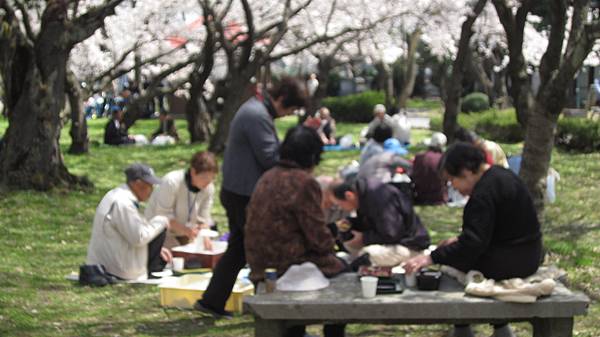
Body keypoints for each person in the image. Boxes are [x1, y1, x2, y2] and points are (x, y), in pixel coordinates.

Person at [194, 78, 307, 318]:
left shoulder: (256, 109)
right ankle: (268, 307)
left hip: (238, 191)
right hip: (244, 195)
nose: (288, 114)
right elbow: (270, 157)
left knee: (240, 249)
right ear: (281, 99)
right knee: (259, 250)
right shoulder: (257, 115)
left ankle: (212, 301)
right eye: (290, 108)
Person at [404, 142, 542, 337]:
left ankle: (462, 327)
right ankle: (500, 328)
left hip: (510, 262)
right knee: (453, 251)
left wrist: (431, 257)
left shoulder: (483, 194)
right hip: (530, 255)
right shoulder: (503, 176)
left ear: (467, 171)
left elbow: (472, 245)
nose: (454, 188)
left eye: (452, 180)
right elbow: (492, 231)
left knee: (452, 264)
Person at [245, 125, 347, 337]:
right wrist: (334, 235)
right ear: (312, 156)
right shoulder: (304, 182)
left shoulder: (267, 176)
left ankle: (296, 332)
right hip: (286, 266)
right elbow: (319, 239)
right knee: (346, 270)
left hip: (259, 263)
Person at [84, 163, 171, 282]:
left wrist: (157, 248)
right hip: (117, 269)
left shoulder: (117, 195)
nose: (151, 190)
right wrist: (161, 222)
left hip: (107, 264)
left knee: (156, 227)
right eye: (149, 186)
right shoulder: (123, 203)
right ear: (137, 183)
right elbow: (138, 237)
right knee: (160, 223)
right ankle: (152, 271)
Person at [329, 177, 430, 267]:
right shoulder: (363, 195)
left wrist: (364, 239)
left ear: (349, 195)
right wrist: (351, 223)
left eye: (340, 204)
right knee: (350, 245)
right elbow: (373, 222)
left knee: (367, 254)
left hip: (409, 246)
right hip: (392, 242)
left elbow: (391, 233)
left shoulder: (379, 197)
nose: (341, 208)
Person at [145, 151, 218, 249]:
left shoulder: (208, 188)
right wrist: (186, 231)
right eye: (204, 178)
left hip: (184, 233)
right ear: (193, 172)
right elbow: (163, 216)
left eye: (212, 178)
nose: (208, 183)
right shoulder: (172, 182)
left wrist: (205, 235)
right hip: (158, 233)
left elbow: (204, 218)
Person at [411, 132, 448, 205]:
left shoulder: (419, 157)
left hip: (420, 197)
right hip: (439, 198)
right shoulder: (443, 159)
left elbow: (413, 176)